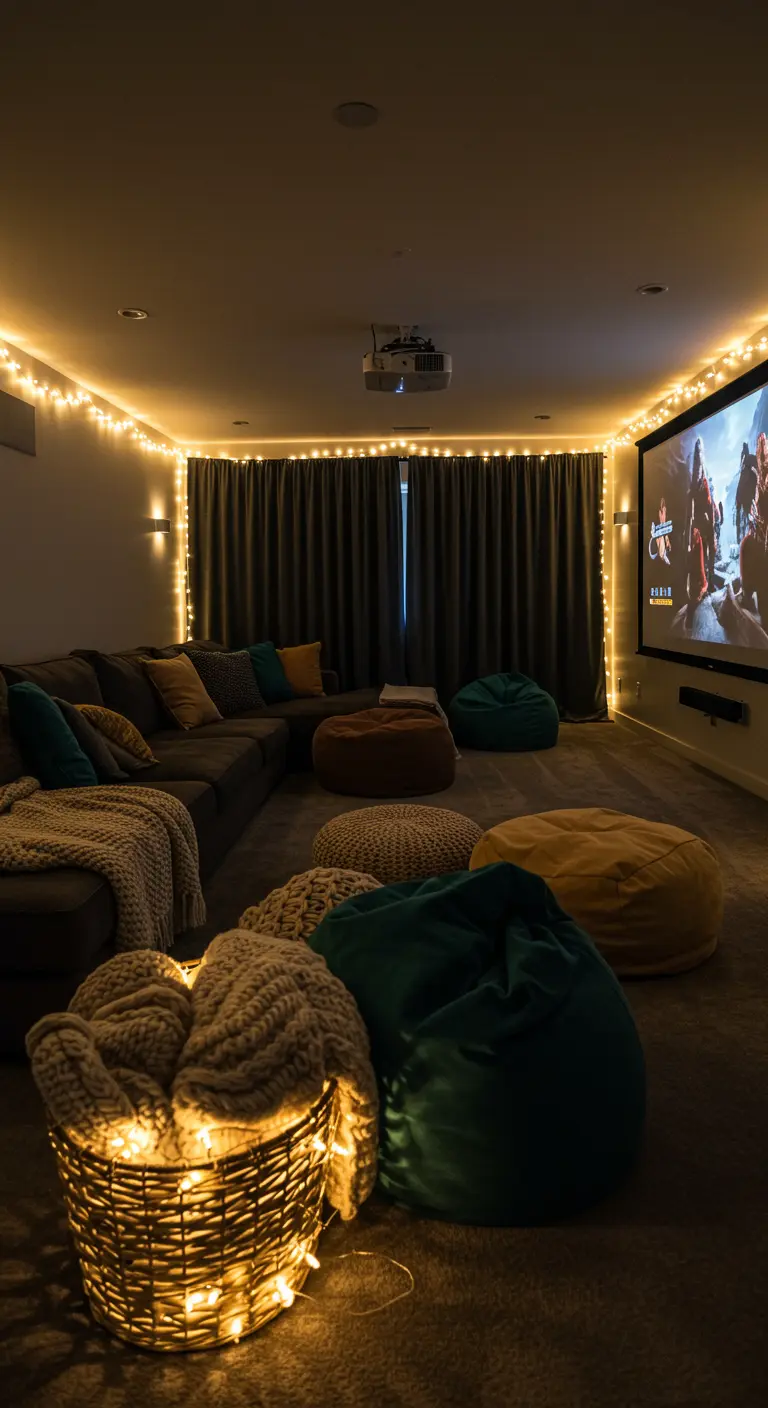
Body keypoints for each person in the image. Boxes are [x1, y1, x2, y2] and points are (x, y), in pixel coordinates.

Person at [740, 432, 768, 616]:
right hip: (760, 535)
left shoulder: (760, 479)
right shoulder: (758, 479)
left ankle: (748, 596)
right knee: (746, 546)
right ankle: (748, 595)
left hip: (763, 540)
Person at [687, 438, 714, 602]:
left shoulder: (702, 482)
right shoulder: (700, 483)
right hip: (700, 525)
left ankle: (704, 587)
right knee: (700, 558)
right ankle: (702, 588)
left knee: (704, 557)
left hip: (703, 525)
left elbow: (708, 504)